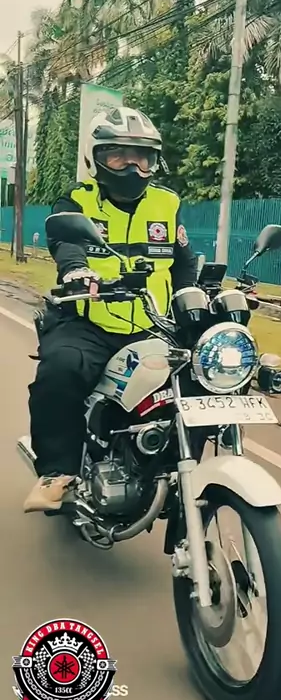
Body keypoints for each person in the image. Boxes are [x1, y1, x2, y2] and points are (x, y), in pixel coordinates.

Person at [24, 106, 197, 514]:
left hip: (153, 325)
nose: (132, 167)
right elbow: (66, 242)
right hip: (89, 319)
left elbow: (183, 261)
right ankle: (58, 472)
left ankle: (175, 467)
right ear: (96, 158)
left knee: (200, 376)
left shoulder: (167, 203)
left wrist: (194, 296)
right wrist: (76, 270)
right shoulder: (77, 200)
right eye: (119, 155)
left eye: (142, 157)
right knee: (61, 370)